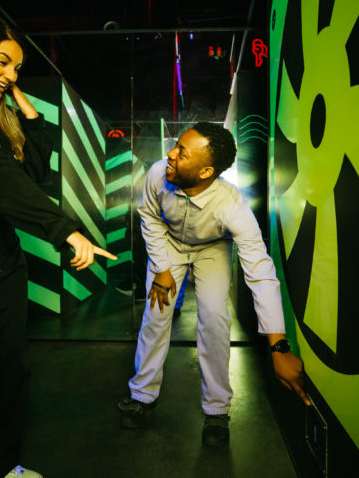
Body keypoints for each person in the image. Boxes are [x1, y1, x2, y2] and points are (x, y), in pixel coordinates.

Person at [0, 15, 116, 478]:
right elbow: (0, 181)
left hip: (3, 264)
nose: (11, 74)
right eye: (3, 62)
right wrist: (65, 230)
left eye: (17, 68)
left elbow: (33, 173)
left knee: (12, 373)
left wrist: (25, 109)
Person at [118, 122, 310, 446]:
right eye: (176, 146)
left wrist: (279, 346)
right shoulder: (159, 173)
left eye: (182, 153)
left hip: (212, 249)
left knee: (214, 319)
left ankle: (217, 409)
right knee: (156, 314)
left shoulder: (231, 204)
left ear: (206, 171)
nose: (170, 154)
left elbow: (260, 271)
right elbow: (148, 215)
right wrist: (162, 268)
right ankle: (142, 395)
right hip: (169, 244)